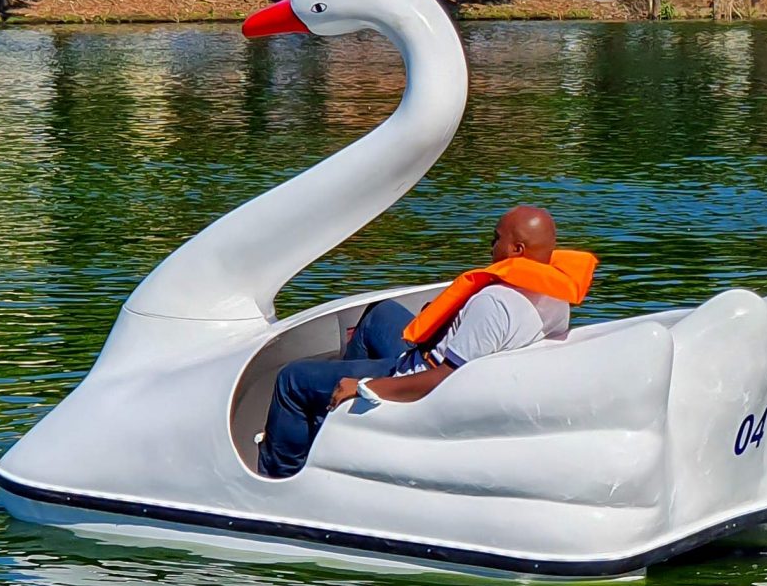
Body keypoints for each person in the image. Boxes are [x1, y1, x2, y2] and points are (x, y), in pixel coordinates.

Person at [255, 205, 597, 478]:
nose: (490, 246)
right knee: (380, 313)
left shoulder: (496, 302)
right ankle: (340, 424)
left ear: (516, 249)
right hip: (437, 356)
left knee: (292, 379)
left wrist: (363, 385)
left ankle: (283, 474)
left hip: (418, 375)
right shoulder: (555, 296)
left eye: (495, 239)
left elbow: (443, 378)